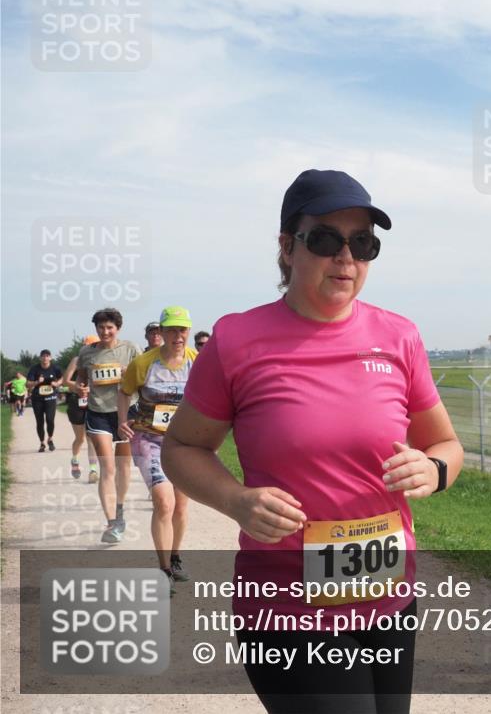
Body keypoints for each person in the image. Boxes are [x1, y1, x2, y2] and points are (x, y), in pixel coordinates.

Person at [163, 169, 463, 713]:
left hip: (388, 598)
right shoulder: (237, 340)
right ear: (287, 247)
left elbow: (447, 445)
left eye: (364, 243)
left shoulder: (400, 336)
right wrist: (235, 500)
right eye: (326, 239)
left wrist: (434, 470)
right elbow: (181, 447)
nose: (346, 258)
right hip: (287, 611)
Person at [118, 307, 197, 592]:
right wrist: (121, 421)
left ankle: (175, 557)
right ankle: (163, 570)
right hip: (149, 440)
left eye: (183, 329)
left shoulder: (197, 362)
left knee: (182, 504)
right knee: (164, 502)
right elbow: (124, 392)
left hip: (184, 443)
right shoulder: (144, 363)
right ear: (161, 333)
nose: (178, 335)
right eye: (172, 330)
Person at [65, 308, 141, 544]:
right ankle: (112, 522)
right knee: (107, 469)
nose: (105, 331)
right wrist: (79, 387)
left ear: (117, 328)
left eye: (109, 327)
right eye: (101, 327)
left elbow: (143, 377)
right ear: (96, 329)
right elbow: (80, 380)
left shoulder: (130, 349)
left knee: (124, 467)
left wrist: (129, 373)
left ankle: (119, 509)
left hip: (127, 412)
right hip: (98, 413)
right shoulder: (87, 353)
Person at [65, 335, 101, 481]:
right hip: (77, 402)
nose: (91, 348)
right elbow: (66, 380)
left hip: (93, 402)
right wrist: (78, 387)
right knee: (79, 439)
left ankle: (93, 471)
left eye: (94, 345)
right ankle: (74, 459)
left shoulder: (101, 360)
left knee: (91, 438)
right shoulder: (77, 360)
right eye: (89, 345)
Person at [26, 350, 63, 453]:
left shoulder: (55, 368)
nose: (45, 358)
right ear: (40, 358)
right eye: (43, 356)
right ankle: (42, 443)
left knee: (50, 420)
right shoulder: (34, 369)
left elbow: (62, 378)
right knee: (40, 422)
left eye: (47, 356)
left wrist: (57, 384)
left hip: (50, 398)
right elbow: (27, 384)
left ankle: (50, 438)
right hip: (37, 398)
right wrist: (37, 382)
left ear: (50, 358)